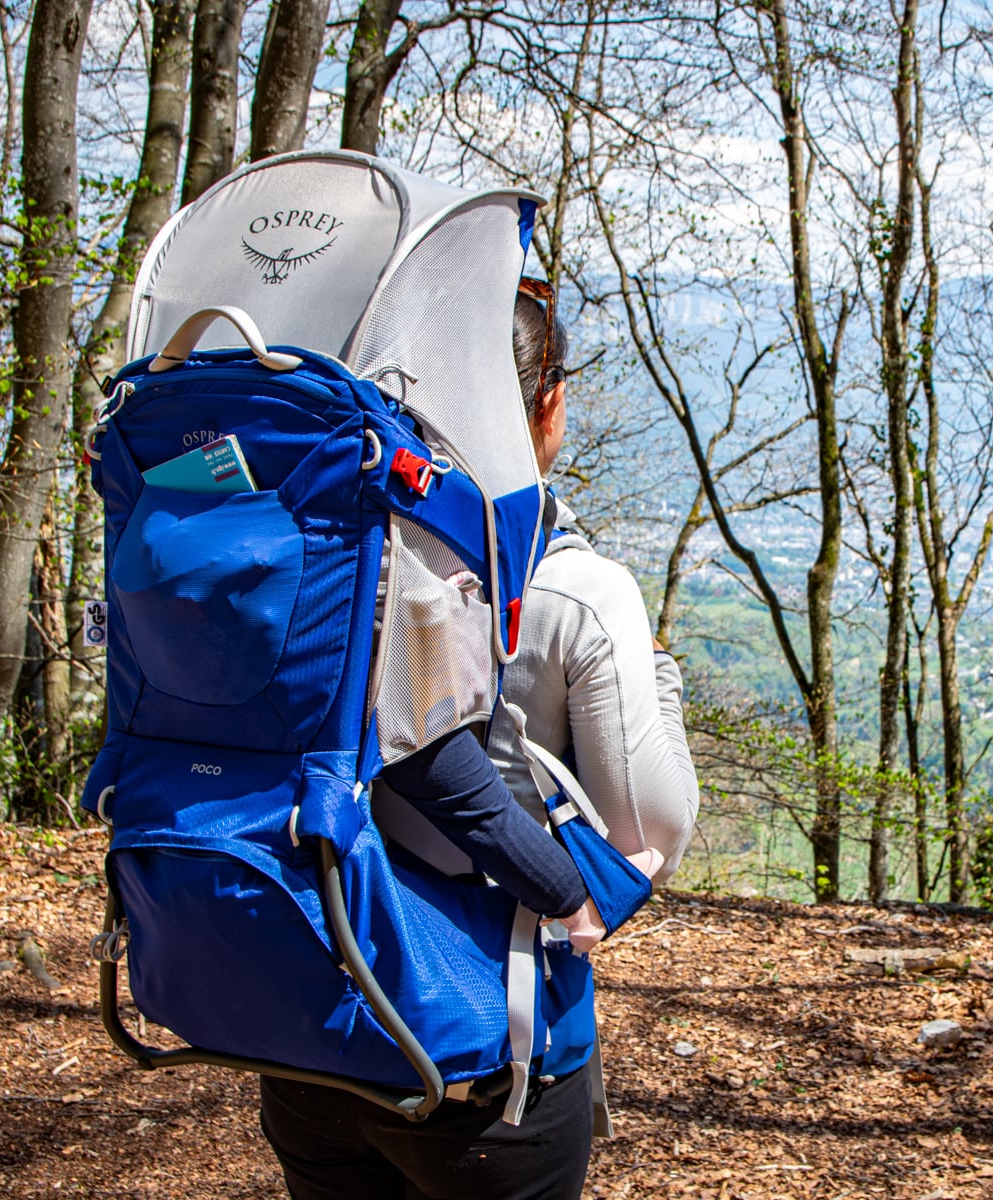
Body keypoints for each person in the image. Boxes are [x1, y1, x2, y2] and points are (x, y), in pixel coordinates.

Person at [255, 277, 699, 1200]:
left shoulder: (325, 551)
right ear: (550, 403)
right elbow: (650, 834)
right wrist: (659, 672)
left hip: (312, 1023)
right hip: (485, 1050)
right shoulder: (580, 590)